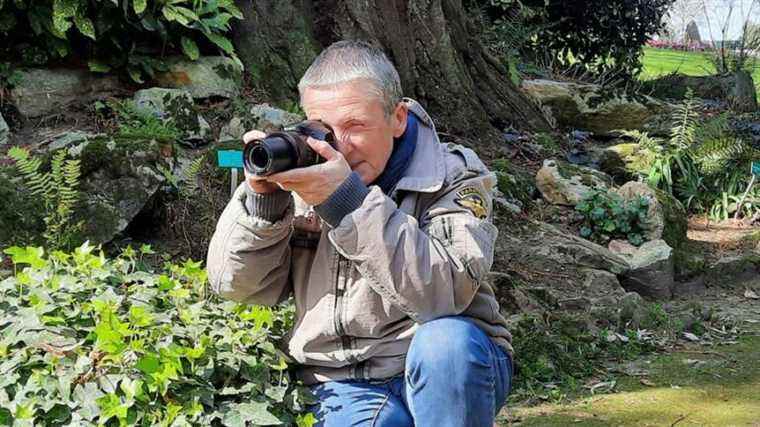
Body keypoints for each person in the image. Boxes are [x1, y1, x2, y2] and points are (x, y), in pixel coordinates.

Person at [207, 40, 513, 427]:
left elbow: (445, 292)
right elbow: (237, 286)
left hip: (449, 367)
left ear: (397, 117)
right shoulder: (304, 174)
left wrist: (348, 204)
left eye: (355, 126)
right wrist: (263, 201)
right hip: (339, 380)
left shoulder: (452, 175)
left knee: (445, 345)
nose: (341, 147)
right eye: (325, 128)